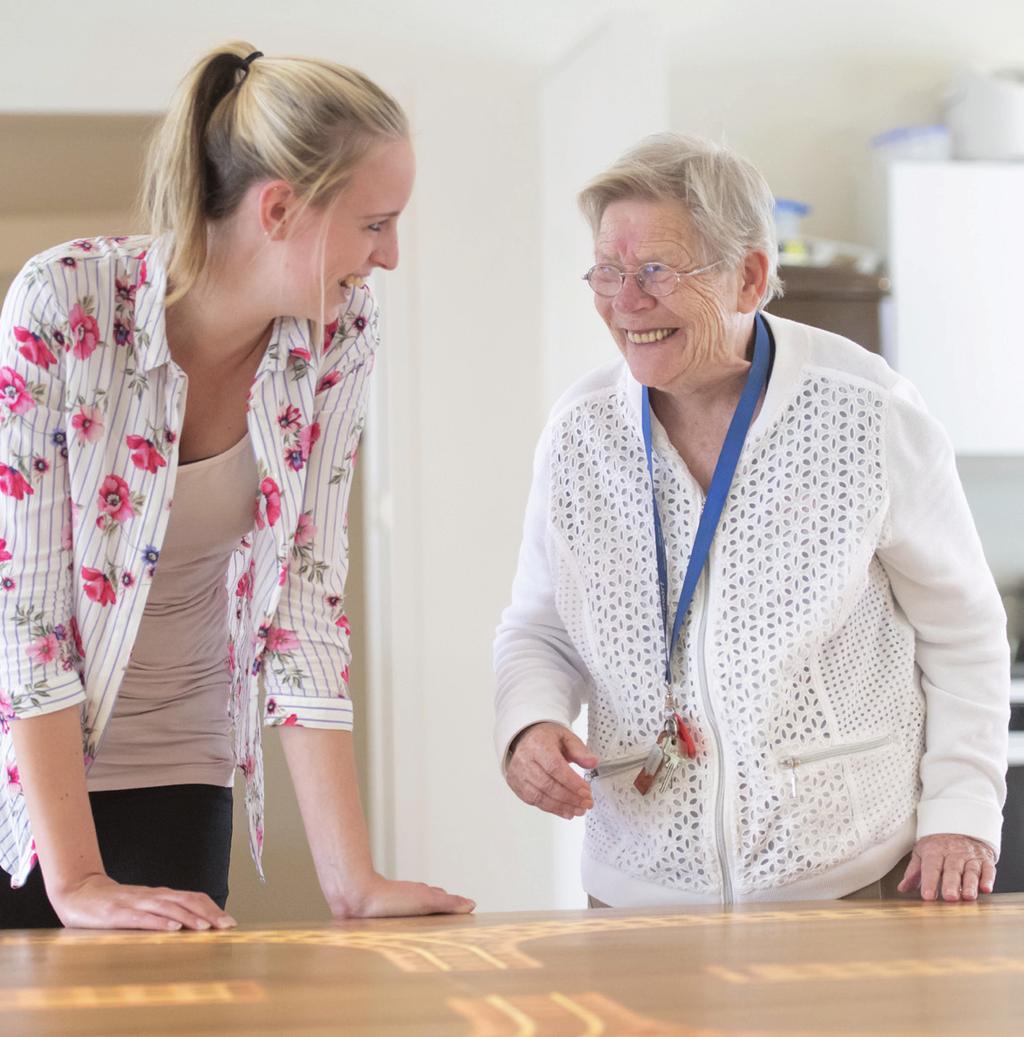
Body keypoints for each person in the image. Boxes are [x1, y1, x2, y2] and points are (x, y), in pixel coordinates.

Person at [0, 41, 474, 929]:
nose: (391, 256)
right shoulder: (63, 303)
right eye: (376, 223)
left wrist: (354, 880)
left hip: (181, 752)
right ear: (282, 208)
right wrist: (75, 883)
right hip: (22, 766)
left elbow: (301, 596)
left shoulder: (338, 333)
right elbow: (26, 609)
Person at [494, 133, 1009, 908]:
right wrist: (528, 722)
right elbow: (539, 628)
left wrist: (962, 814)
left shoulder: (868, 412)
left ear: (749, 277)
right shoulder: (580, 434)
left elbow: (963, 629)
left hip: (850, 878)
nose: (625, 301)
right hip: (637, 893)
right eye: (607, 270)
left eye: (656, 271)